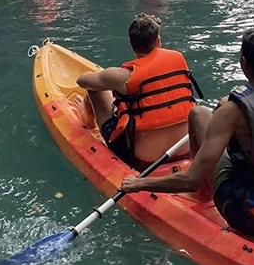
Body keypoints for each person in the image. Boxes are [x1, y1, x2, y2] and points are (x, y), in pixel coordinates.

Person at [119, 29, 254, 237]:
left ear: (243, 62)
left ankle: (200, 195)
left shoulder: (233, 112)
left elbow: (191, 180)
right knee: (204, 117)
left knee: (198, 114)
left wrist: (139, 183)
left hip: (247, 216)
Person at [76, 13, 196, 166]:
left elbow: (82, 81)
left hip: (144, 160)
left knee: (94, 88)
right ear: (158, 41)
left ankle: (88, 121)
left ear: (131, 44)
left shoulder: (124, 76)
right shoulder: (179, 59)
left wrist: (110, 78)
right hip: (185, 149)